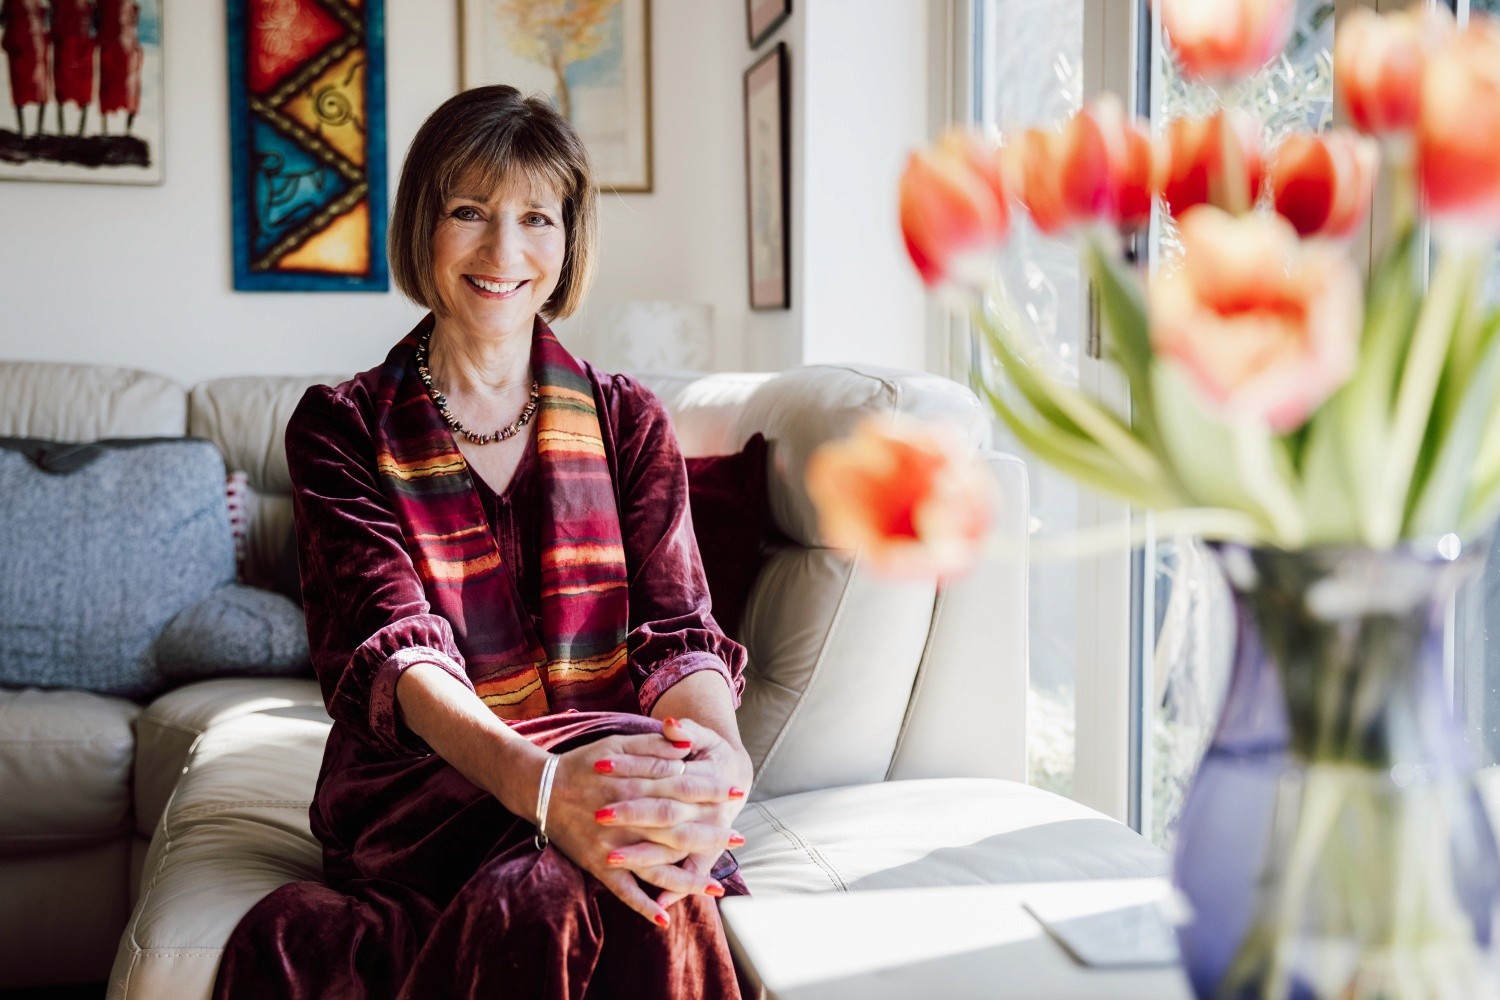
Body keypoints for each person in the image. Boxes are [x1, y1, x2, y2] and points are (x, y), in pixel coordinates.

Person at [212, 85, 754, 1000]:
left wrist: (722, 766)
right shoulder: (340, 427)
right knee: (631, 850)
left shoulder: (629, 420)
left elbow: (675, 637)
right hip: (420, 794)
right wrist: (547, 789)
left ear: (568, 240)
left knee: (572, 880)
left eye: (536, 217)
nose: (504, 252)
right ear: (422, 225)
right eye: (469, 211)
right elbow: (402, 659)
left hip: (608, 774)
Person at [0, 0, 49, 138]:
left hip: (35, 44)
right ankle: (24, 130)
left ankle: (37, 130)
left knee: (38, 88)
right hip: (20, 44)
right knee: (21, 88)